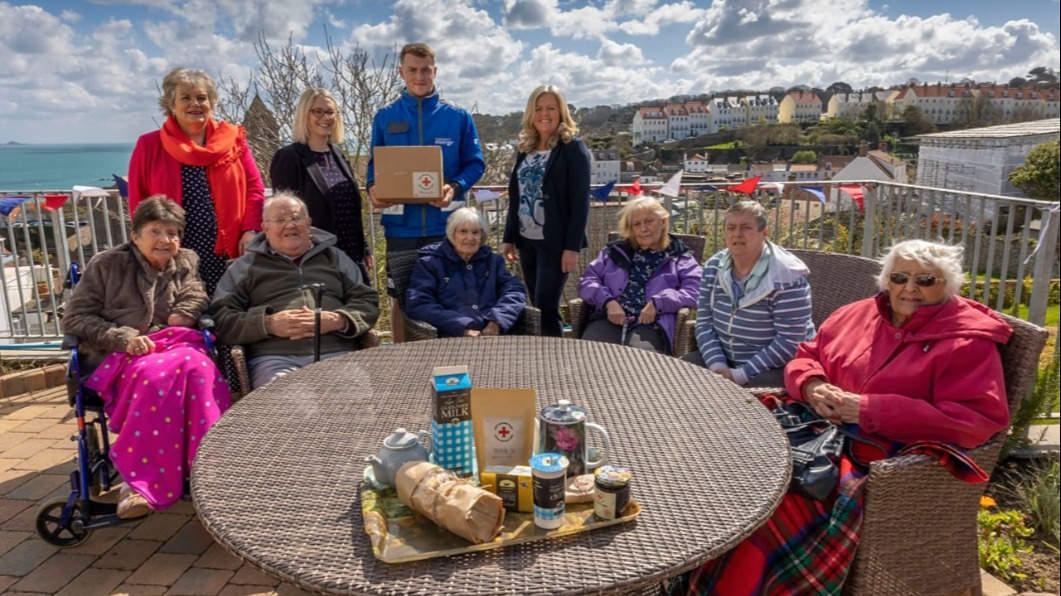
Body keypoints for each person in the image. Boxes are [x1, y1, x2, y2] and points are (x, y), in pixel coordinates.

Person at [680, 239, 1012, 595]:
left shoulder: (967, 341)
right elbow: (805, 356)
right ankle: (690, 571)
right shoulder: (857, 313)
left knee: (775, 497)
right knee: (717, 458)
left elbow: (976, 420)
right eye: (900, 277)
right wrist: (812, 385)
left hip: (876, 454)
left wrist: (870, 409)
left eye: (925, 280)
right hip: (811, 425)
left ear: (948, 286)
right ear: (887, 280)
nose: (910, 288)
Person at [62, 196, 231, 519]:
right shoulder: (107, 264)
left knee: (201, 370)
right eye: (156, 231)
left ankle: (209, 471)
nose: (166, 240)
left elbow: (196, 292)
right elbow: (76, 318)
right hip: (120, 354)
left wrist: (184, 312)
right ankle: (138, 485)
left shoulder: (186, 260)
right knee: (155, 376)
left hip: (176, 344)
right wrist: (122, 338)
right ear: (135, 235)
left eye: (172, 232)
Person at [365, 42, 485, 342]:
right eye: (412, 70)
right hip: (400, 228)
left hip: (445, 228)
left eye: (425, 70)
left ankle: (452, 355)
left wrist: (454, 187)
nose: (419, 76)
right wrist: (372, 187)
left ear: (435, 71)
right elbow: (373, 165)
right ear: (401, 72)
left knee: (451, 294)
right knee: (401, 297)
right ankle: (401, 358)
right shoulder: (385, 116)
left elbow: (475, 163)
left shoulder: (458, 117)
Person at [209, 194, 379, 389]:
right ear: (265, 228)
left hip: (337, 353)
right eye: (280, 220)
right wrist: (268, 324)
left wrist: (338, 320)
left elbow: (367, 301)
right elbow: (221, 319)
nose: (289, 225)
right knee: (289, 402)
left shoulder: (335, 258)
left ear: (308, 223)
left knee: (354, 397)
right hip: (275, 358)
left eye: (296, 218)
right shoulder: (245, 267)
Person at [128, 67, 265, 296]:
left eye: (202, 98)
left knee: (230, 307)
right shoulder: (149, 145)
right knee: (182, 307)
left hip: (228, 248)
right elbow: (138, 201)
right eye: (185, 98)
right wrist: (149, 242)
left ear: (212, 102)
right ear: (171, 104)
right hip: (173, 247)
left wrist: (251, 230)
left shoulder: (234, 140)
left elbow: (254, 189)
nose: (195, 104)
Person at [681, 201, 814, 387]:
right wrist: (717, 366)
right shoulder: (713, 267)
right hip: (722, 359)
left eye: (746, 227)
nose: (737, 234)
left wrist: (741, 374)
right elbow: (704, 322)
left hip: (772, 366)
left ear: (764, 232)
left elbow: (790, 341)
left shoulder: (786, 276)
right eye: (731, 228)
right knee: (676, 376)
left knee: (742, 398)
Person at [501, 84, 590, 337]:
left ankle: (555, 356)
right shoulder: (525, 149)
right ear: (531, 113)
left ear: (561, 112)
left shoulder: (572, 148)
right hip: (526, 240)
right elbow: (516, 197)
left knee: (546, 306)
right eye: (538, 108)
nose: (545, 114)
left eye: (551, 108)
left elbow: (580, 202)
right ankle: (542, 353)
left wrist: (572, 247)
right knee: (536, 305)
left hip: (556, 242)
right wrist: (509, 238)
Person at [270, 88, 371, 280]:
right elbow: (284, 216)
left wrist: (364, 248)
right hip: (315, 258)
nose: (326, 117)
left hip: (352, 255)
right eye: (318, 111)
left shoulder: (338, 155)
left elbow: (351, 208)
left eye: (330, 112)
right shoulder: (289, 157)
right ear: (304, 114)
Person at [577, 197, 701, 353]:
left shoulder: (680, 256)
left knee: (641, 359)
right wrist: (608, 301)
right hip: (609, 317)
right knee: (590, 353)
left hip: (653, 323)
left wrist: (659, 303)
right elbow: (587, 282)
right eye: (636, 224)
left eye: (649, 221)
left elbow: (695, 291)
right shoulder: (613, 252)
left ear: (663, 222)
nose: (643, 229)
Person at [405, 207, 527, 338]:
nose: (470, 238)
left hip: (494, 335)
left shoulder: (493, 261)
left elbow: (514, 291)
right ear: (452, 234)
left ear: (482, 236)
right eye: (463, 232)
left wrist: (497, 320)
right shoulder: (430, 263)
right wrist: (461, 326)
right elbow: (419, 303)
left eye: (475, 233)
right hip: (448, 337)